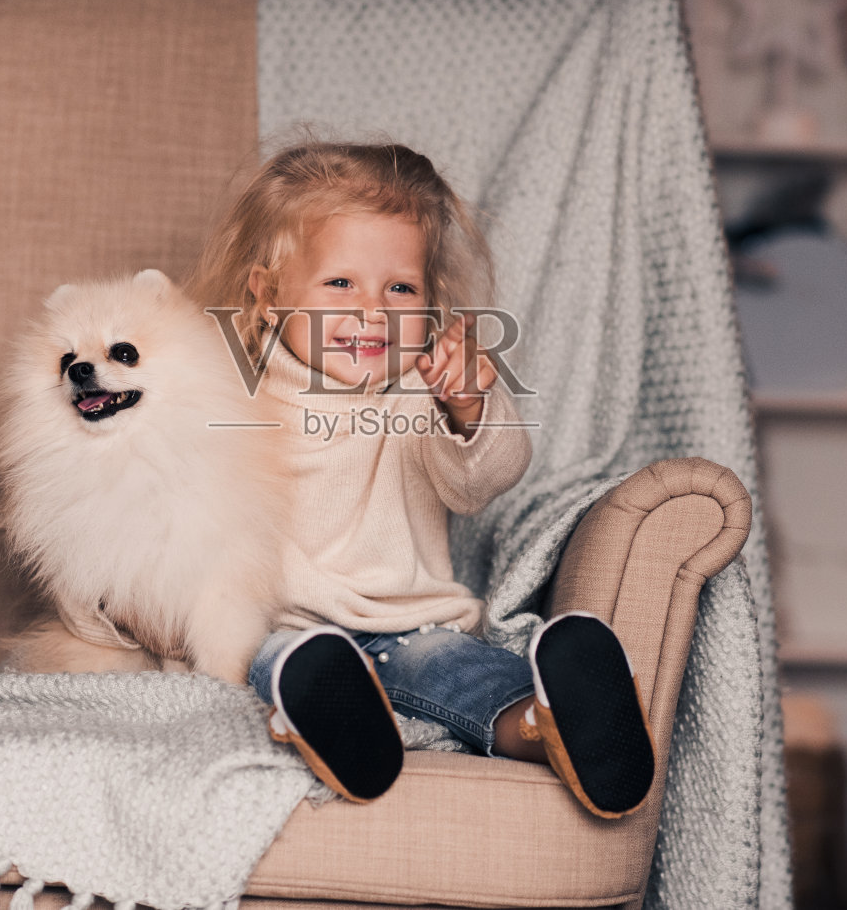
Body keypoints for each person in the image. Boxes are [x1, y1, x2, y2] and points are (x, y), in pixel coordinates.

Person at [192, 141, 654, 816]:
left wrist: (468, 408)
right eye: (340, 283)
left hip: (408, 624)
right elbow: (176, 512)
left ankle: (550, 725)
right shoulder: (230, 396)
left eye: (400, 288)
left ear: (429, 300)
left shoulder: (417, 390)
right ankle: (327, 721)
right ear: (268, 295)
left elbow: (481, 480)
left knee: (456, 670)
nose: (373, 311)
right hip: (286, 625)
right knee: (279, 659)